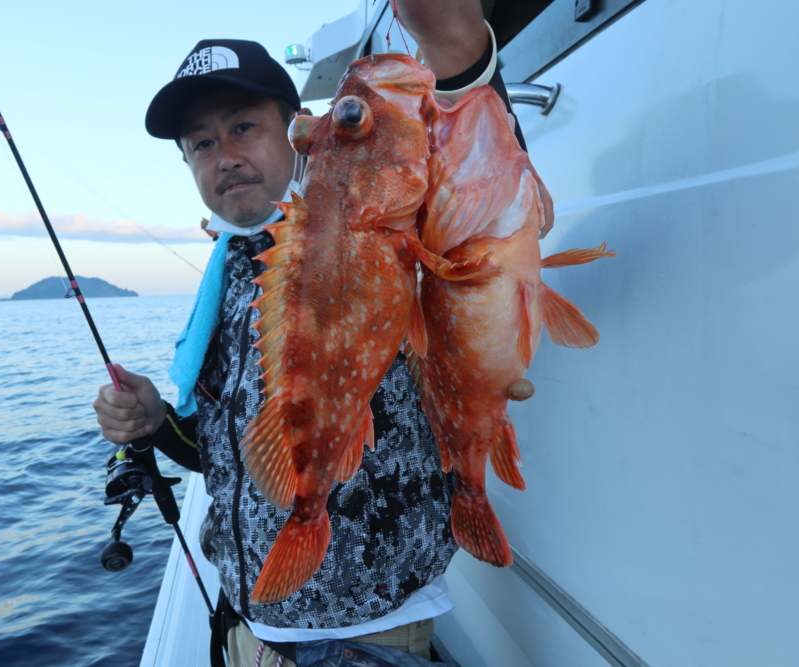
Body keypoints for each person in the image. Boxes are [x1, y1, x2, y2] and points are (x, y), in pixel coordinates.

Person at [94, 2, 545, 665]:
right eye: (202, 144)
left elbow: (484, 173)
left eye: (243, 127)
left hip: (368, 634)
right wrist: (158, 421)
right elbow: (234, 453)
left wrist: (457, 48)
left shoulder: (394, 213)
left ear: (297, 129)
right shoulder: (233, 271)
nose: (226, 157)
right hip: (250, 626)